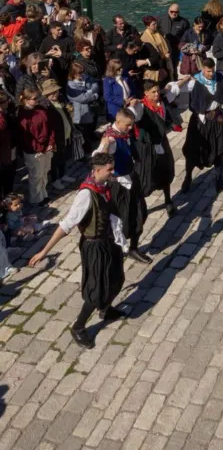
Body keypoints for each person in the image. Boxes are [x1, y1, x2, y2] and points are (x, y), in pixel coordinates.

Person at [28, 152, 126, 349]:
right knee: (96, 290)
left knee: (117, 278)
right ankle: (79, 327)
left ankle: (105, 310)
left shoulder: (103, 185)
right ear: (97, 171)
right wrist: (44, 251)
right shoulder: (86, 195)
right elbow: (66, 225)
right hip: (94, 247)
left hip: (108, 241)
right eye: (109, 170)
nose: (112, 172)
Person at [176, 58, 223, 193]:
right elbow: (174, 87)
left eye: (212, 70)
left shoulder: (219, 77)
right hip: (199, 122)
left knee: (219, 148)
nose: (211, 73)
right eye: (208, 71)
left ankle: (219, 178)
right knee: (193, 151)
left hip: (217, 120)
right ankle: (188, 177)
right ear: (203, 69)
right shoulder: (194, 82)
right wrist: (182, 80)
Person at [97, 107, 150, 264]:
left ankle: (133, 247)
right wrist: (105, 147)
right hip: (118, 185)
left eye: (131, 124)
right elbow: (98, 156)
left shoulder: (123, 133)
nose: (130, 128)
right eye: (127, 125)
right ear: (117, 121)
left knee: (141, 213)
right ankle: (116, 250)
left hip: (132, 179)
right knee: (121, 219)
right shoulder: (110, 138)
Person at [133, 79, 185, 216]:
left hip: (162, 142)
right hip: (146, 146)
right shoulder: (141, 107)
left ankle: (168, 201)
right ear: (146, 93)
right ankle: (140, 206)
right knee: (145, 175)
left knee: (165, 171)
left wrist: (186, 79)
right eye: (153, 92)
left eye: (157, 91)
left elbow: (174, 88)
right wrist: (132, 104)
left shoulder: (163, 101)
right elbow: (132, 113)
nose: (157, 94)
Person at [16, 88, 56, 206]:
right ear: (26, 100)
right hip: (34, 151)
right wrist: (40, 148)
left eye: (37, 97)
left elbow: (50, 127)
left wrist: (51, 143)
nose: (37, 100)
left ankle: (43, 194)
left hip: (46, 147)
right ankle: (37, 199)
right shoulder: (23, 115)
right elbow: (26, 138)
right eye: (34, 99)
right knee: (36, 176)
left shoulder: (41, 110)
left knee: (44, 172)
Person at [66, 61, 98, 158]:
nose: (82, 75)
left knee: (88, 131)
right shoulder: (71, 84)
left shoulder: (86, 78)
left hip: (88, 112)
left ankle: (88, 149)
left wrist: (90, 91)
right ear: (73, 74)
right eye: (79, 73)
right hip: (78, 113)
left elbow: (95, 85)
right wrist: (93, 95)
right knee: (81, 134)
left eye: (82, 72)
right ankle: (80, 154)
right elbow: (81, 98)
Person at [38, 20, 74, 90]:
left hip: (66, 71)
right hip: (52, 72)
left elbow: (76, 54)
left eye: (61, 29)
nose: (61, 31)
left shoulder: (68, 40)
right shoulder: (46, 40)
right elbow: (39, 54)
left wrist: (62, 54)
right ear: (52, 30)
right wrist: (47, 54)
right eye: (58, 30)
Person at [139, 16, 173, 85]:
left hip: (165, 59)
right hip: (157, 63)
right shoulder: (145, 38)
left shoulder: (158, 32)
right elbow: (152, 53)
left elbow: (166, 43)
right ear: (147, 26)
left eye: (156, 23)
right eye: (153, 24)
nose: (156, 25)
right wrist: (163, 56)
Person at [159, 3, 190, 77]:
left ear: (179, 12)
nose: (173, 13)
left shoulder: (184, 22)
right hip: (162, 48)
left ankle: (174, 82)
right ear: (168, 11)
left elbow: (187, 36)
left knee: (173, 68)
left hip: (175, 49)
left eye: (176, 12)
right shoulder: (161, 19)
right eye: (171, 11)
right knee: (162, 67)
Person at [0, 90, 17, 196]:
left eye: (4, 101)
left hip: (11, 148)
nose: (2, 105)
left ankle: (9, 198)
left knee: (10, 176)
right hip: (2, 153)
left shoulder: (9, 112)